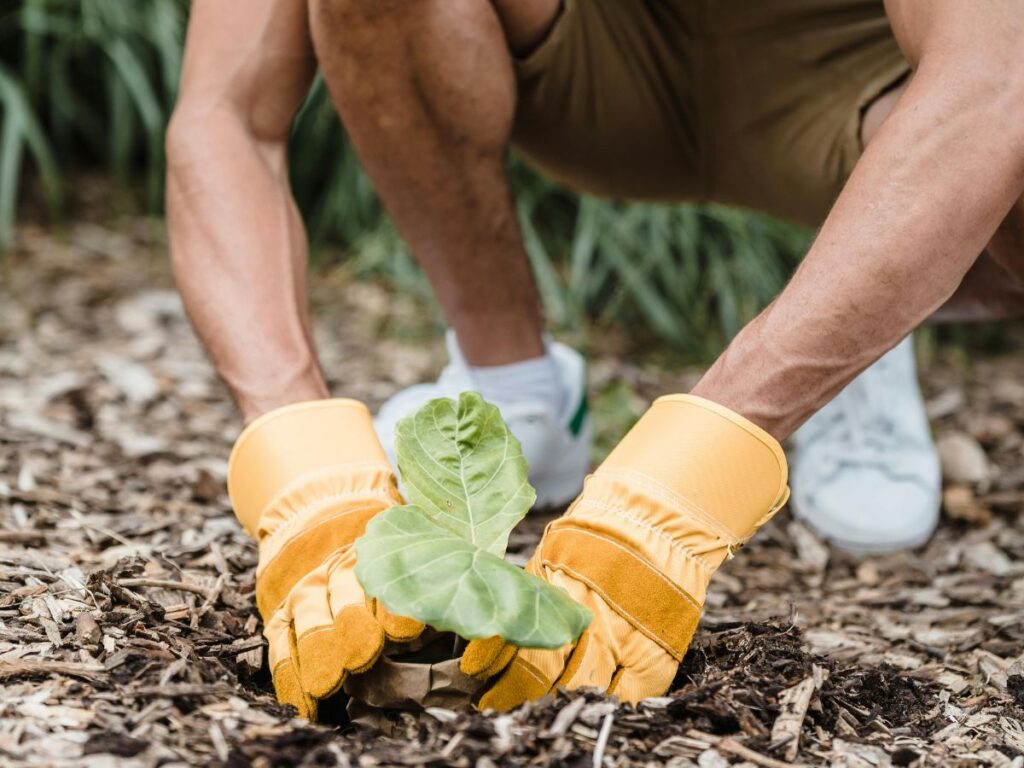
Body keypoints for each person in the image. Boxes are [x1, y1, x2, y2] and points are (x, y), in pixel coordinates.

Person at [166, 0, 1024, 719]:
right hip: (594, 55)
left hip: (867, 78)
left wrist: (685, 483)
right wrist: (304, 474)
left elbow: (993, 83)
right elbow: (225, 115)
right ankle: (513, 385)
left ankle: (854, 337)